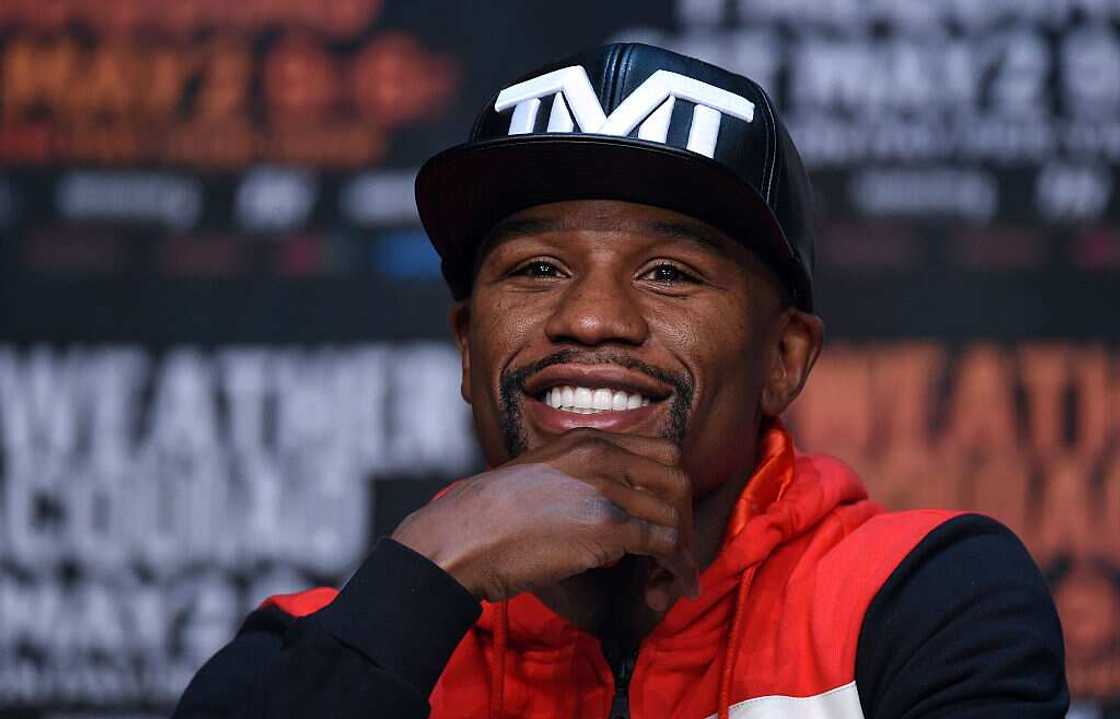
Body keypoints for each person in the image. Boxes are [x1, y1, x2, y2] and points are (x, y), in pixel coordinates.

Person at [174, 43, 1068, 719]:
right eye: (535, 270)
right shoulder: (330, 642)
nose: (592, 318)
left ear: (784, 358)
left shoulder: (916, 598)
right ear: (464, 344)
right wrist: (433, 570)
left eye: (669, 273)